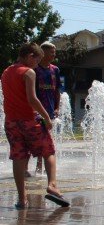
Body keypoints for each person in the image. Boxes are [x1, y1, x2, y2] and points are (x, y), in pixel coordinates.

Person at [2, 43, 69, 209]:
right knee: (49, 151)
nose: (37, 64)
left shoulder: (6, 72)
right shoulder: (28, 72)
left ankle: (21, 198)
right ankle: (52, 185)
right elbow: (32, 99)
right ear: (30, 56)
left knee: (18, 157)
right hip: (29, 120)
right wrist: (46, 117)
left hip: (11, 122)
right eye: (36, 60)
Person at [33, 42, 61, 176]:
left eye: (54, 52)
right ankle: (35, 167)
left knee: (45, 138)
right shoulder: (34, 69)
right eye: (51, 52)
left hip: (49, 109)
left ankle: (40, 167)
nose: (54, 54)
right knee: (35, 138)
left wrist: (57, 107)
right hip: (35, 110)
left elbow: (57, 90)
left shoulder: (55, 69)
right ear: (43, 53)